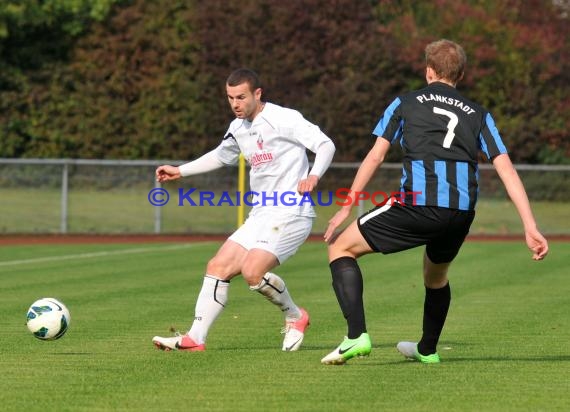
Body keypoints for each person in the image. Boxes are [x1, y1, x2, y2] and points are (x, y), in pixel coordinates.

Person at [320, 39, 548, 365]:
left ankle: (356, 336)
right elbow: (506, 170)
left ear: (428, 71)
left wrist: (346, 205)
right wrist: (530, 226)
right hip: (460, 213)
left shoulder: (405, 102)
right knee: (435, 277)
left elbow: (375, 156)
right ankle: (427, 349)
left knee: (340, 247)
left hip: (418, 205)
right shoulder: (479, 114)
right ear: (461, 74)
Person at [152, 68, 335, 352]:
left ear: (257, 94)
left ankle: (295, 316)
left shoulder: (284, 118)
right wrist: (180, 170)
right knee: (218, 266)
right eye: (230, 97)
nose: (235, 103)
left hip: (291, 212)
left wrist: (314, 175)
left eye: (241, 97)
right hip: (261, 215)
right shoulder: (237, 128)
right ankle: (195, 338)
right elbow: (221, 155)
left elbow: (325, 144)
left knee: (252, 271)